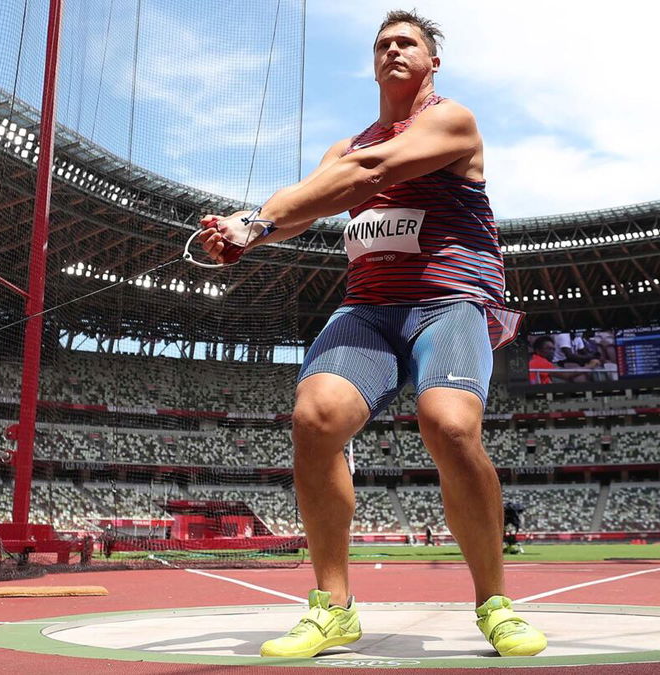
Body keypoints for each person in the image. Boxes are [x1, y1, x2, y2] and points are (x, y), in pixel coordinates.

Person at [198, 9, 545, 658]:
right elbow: (312, 198)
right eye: (382, 43)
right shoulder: (344, 147)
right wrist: (252, 225)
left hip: (449, 302)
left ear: (431, 62)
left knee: (448, 423)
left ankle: (494, 601)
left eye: (406, 42)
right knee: (314, 416)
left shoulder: (450, 121)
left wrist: (256, 223)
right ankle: (334, 606)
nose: (392, 49)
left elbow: (371, 174)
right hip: (370, 311)